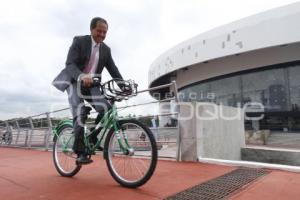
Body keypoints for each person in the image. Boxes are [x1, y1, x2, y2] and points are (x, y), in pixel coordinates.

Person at [52, 17, 124, 164]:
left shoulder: (106, 49)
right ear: (91, 30)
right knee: (80, 111)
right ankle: (79, 151)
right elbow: (70, 64)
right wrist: (81, 75)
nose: (102, 35)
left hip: (92, 85)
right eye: (99, 31)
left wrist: (124, 86)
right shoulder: (79, 41)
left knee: (106, 109)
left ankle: (92, 136)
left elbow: (113, 69)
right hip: (74, 81)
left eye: (105, 32)